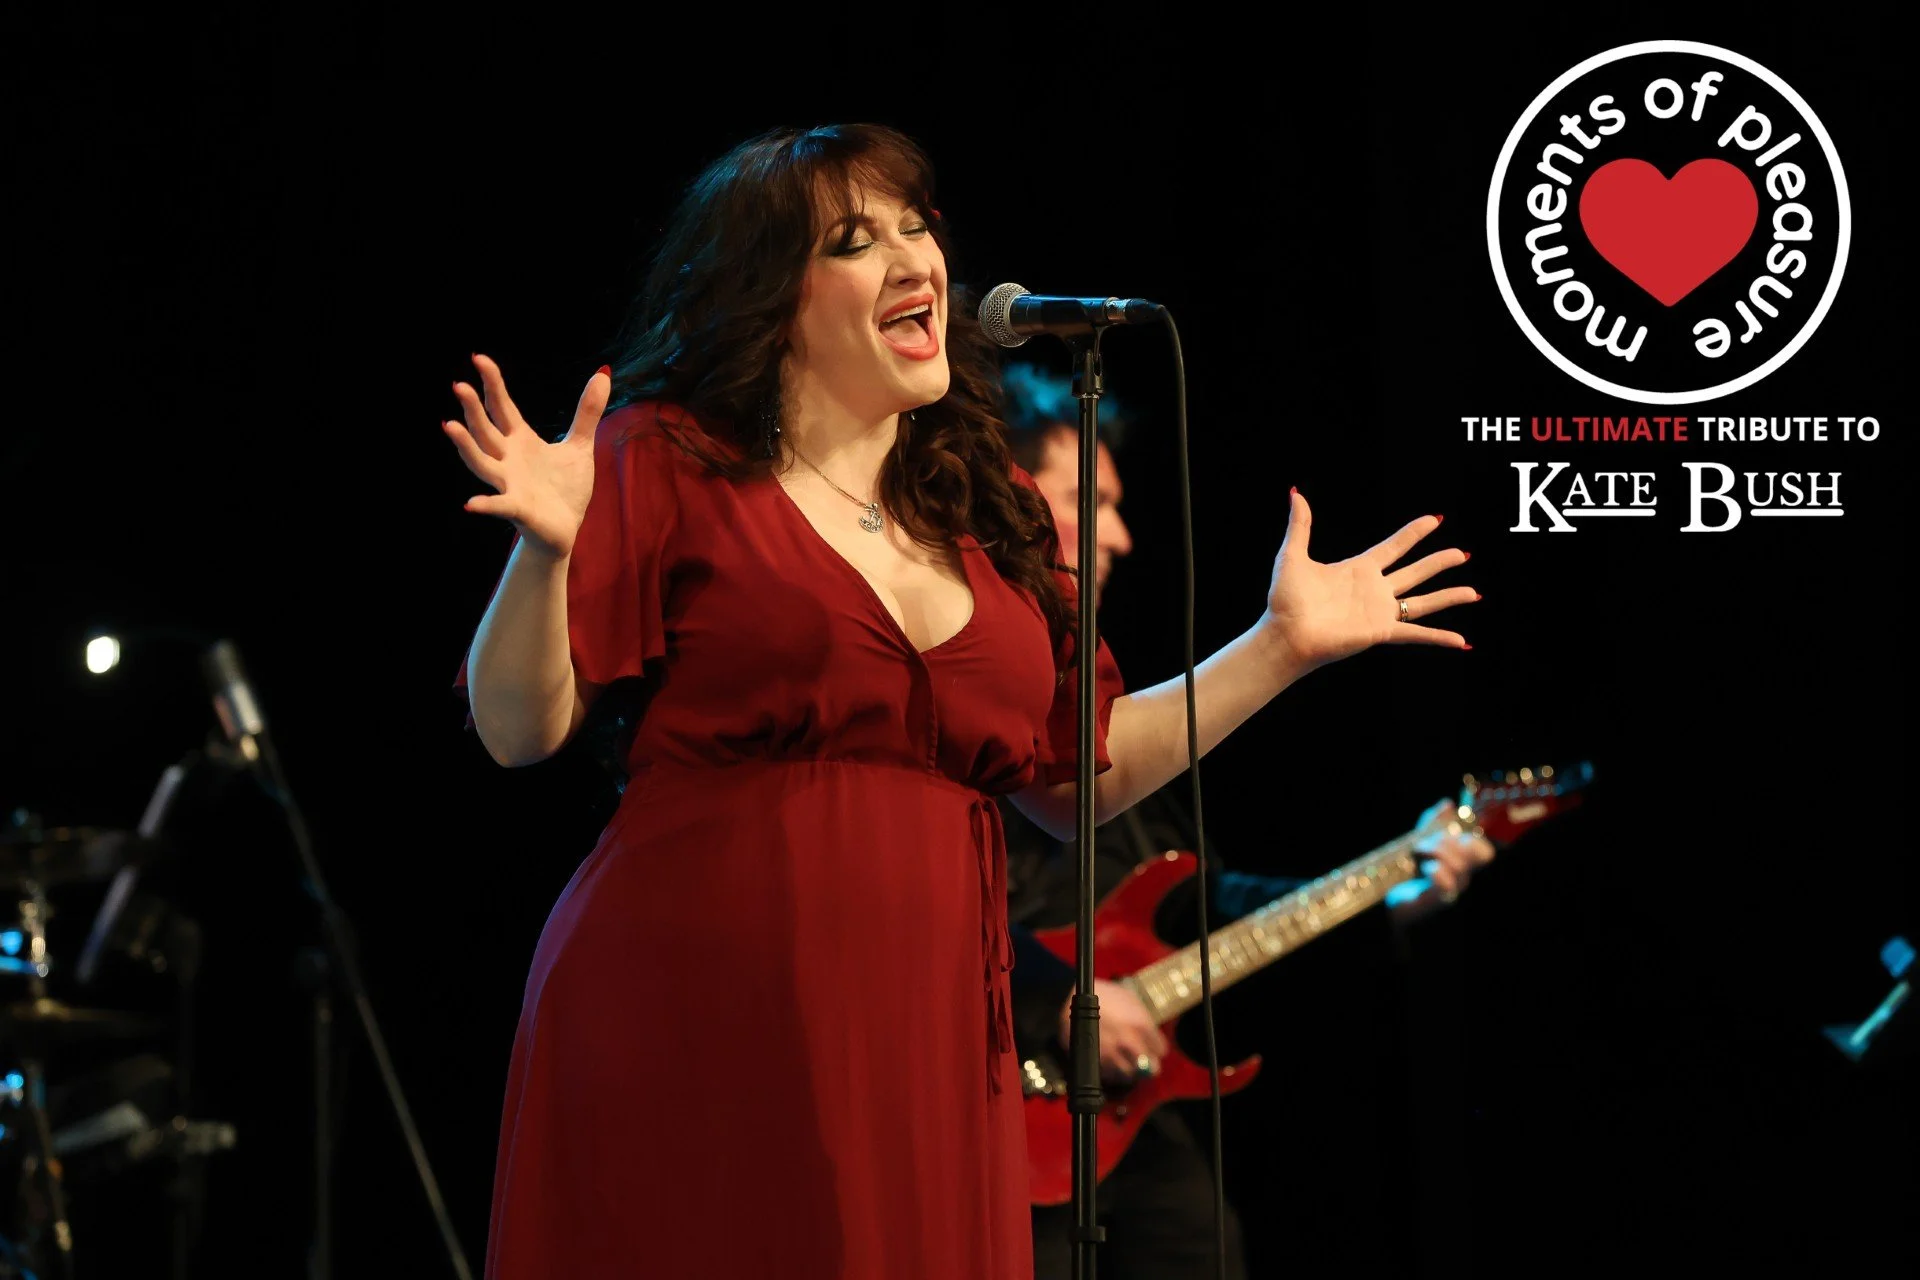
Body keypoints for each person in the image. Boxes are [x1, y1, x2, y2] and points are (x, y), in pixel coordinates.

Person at [443, 124, 1477, 1280]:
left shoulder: (990, 520)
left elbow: (1077, 782)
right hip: (699, 990)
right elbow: (516, 728)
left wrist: (1279, 647)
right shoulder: (671, 457)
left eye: (916, 224)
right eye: (853, 239)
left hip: (930, 1023)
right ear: (772, 298)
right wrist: (542, 553)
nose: (913, 258)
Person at [996, 364, 1493, 1280]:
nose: (1120, 535)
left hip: (1116, 1110)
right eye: (1085, 500)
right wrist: (1049, 1001)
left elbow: (1199, 898)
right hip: (986, 1091)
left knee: (1205, 1248)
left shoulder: (1103, 688)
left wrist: (1393, 884)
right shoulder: (963, 660)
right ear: (1004, 498)